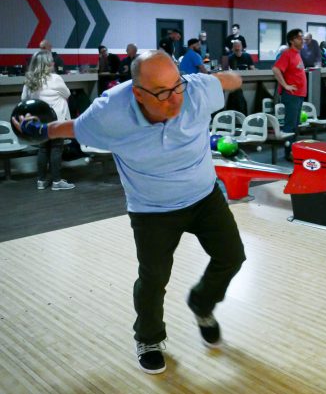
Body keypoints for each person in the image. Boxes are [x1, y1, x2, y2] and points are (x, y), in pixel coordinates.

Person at [13, 50, 245, 375]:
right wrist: (40, 130)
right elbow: (73, 128)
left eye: (176, 86)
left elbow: (227, 81)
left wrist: (228, 78)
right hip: (151, 208)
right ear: (138, 93)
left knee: (233, 256)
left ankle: (202, 304)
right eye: (162, 93)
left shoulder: (195, 91)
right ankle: (148, 339)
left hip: (204, 196)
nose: (174, 99)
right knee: (153, 278)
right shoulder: (110, 114)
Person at [21, 50, 75, 191]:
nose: (53, 62)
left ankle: (41, 181)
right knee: (56, 149)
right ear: (46, 64)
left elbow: (24, 100)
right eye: (50, 61)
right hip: (56, 120)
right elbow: (67, 94)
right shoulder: (55, 78)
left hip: (39, 121)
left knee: (43, 149)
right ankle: (57, 182)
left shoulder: (30, 80)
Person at [272, 29, 307, 161]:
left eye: (302, 37)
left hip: (299, 95)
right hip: (291, 95)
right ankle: (288, 153)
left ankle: (293, 151)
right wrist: (286, 85)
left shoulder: (297, 54)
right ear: (292, 40)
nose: (302, 39)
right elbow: (276, 69)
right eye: (299, 37)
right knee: (290, 125)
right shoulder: (288, 54)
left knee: (295, 125)